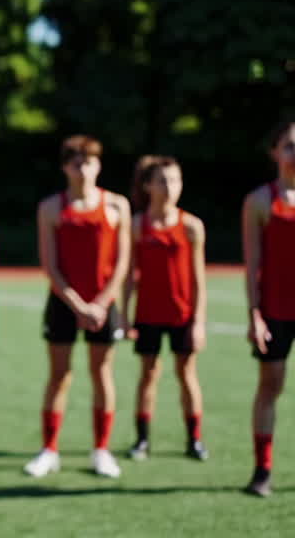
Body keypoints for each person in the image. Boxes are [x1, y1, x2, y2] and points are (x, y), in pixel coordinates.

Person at [25, 135, 131, 479]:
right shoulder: (52, 207)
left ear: (98, 166)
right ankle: (49, 450)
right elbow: (51, 266)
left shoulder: (116, 205)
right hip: (64, 304)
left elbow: (122, 261)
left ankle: (101, 449)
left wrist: (100, 303)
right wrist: (77, 304)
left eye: (89, 161)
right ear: (65, 168)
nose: (83, 169)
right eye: (76, 162)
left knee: (102, 374)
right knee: (59, 375)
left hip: (104, 305)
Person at [121, 156, 208, 462]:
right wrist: (124, 312)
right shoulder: (136, 225)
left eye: (175, 180)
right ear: (147, 186)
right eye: (162, 181)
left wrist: (198, 322)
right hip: (148, 314)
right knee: (148, 374)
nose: (170, 187)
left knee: (186, 373)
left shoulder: (191, 226)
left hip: (182, 314)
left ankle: (194, 439)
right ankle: (142, 439)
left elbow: (198, 278)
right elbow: (130, 275)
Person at [241, 120, 295, 497]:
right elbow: (253, 261)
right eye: (289, 145)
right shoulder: (261, 200)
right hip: (276, 309)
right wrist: (255, 314)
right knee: (270, 385)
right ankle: (262, 470)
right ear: (275, 153)